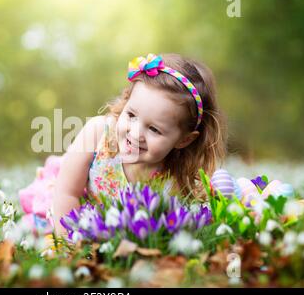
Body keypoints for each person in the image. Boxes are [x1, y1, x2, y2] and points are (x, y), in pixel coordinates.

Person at [19, 53, 227, 238]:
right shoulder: (98, 133)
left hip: (116, 235)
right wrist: (68, 245)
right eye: (131, 115)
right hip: (69, 211)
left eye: (154, 129)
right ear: (126, 102)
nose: (135, 134)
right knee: (40, 236)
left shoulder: (179, 181)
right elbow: (67, 193)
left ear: (184, 140)